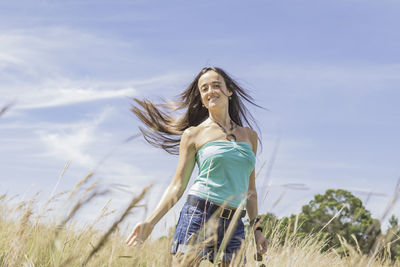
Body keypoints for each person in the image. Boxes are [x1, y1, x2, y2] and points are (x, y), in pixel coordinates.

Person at [125, 67, 268, 266]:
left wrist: (257, 231)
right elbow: (177, 186)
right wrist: (150, 222)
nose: (211, 91)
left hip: (235, 222)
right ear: (202, 98)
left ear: (229, 91)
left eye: (216, 85)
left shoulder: (250, 136)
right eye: (205, 88)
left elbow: (250, 191)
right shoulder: (193, 134)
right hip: (199, 214)